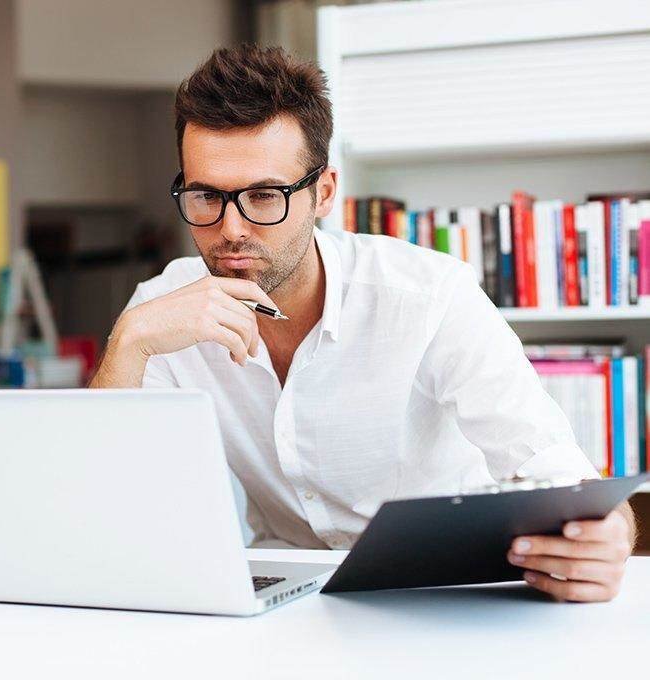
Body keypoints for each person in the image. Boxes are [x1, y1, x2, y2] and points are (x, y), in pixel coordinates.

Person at [89, 44, 636, 602]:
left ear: (323, 193)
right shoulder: (161, 313)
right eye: (206, 196)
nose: (231, 229)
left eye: (264, 195)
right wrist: (127, 343)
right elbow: (100, 504)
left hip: (444, 585)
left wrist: (605, 535)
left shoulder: (430, 296)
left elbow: (555, 468)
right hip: (288, 595)